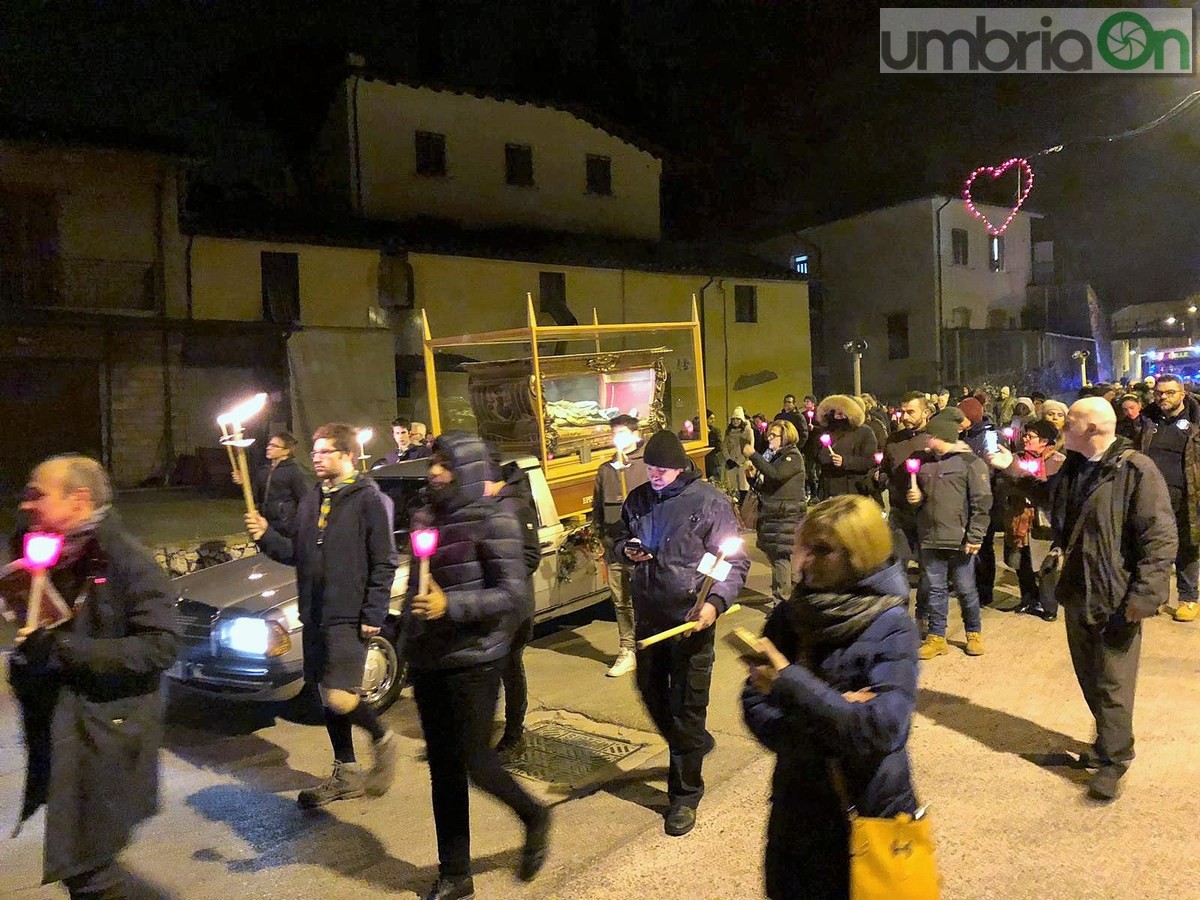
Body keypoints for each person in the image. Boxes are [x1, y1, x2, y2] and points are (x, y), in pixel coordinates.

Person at [987, 398, 1176, 800]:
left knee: (1113, 682)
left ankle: (1114, 761)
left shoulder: (1136, 470)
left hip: (1116, 594)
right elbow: (1052, 501)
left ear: (1091, 430)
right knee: (1090, 676)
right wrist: (1013, 471)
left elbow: (1159, 538)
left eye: (1068, 423)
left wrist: (1145, 595)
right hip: (1078, 588)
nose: (1060, 429)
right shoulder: (1076, 465)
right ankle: (1106, 744)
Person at [10, 456, 179, 898]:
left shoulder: (127, 561)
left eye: (37, 494)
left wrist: (63, 650)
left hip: (105, 736)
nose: (26, 505)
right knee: (85, 867)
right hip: (65, 734)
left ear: (79, 500)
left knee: (89, 873)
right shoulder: (55, 554)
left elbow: (161, 646)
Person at [740, 495, 920, 900]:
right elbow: (753, 705)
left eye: (821, 550)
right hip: (798, 803)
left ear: (859, 554)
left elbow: (884, 728)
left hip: (867, 805)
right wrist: (837, 718)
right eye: (803, 547)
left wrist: (789, 684)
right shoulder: (791, 615)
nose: (803, 562)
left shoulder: (891, 626)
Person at [404, 434, 551, 899]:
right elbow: (418, 587)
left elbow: (514, 596)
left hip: (475, 660)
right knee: (442, 769)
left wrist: (452, 605)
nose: (434, 471)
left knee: (474, 761)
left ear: (466, 470)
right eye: (433, 462)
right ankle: (455, 872)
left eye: (445, 464)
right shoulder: (425, 518)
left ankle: (534, 814)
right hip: (430, 659)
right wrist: (407, 627)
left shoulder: (497, 520)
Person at [246, 423, 399, 809]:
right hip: (314, 610)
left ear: (346, 455)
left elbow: (384, 561)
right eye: (313, 451)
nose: (315, 457)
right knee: (324, 696)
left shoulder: (369, 500)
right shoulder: (314, 496)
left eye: (324, 451)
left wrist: (374, 611)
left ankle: (383, 739)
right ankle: (345, 772)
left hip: (348, 614)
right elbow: (295, 552)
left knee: (340, 696)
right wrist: (265, 534)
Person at [615, 430, 749, 837]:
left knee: (686, 706)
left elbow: (733, 560)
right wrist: (627, 549)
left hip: (691, 619)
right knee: (650, 691)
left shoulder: (709, 502)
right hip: (650, 617)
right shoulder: (637, 499)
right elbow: (617, 537)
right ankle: (691, 743)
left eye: (663, 469)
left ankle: (684, 796)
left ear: (681, 467)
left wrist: (715, 603)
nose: (655, 475)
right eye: (651, 468)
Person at [905, 412, 991, 659]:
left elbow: (982, 502)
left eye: (929, 436)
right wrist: (916, 500)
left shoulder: (970, 464)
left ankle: (973, 633)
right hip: (930, 537)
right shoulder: (924, 463)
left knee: (965, 589)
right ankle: (936, 637)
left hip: (960, 540)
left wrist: (975, 536)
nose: (925, 440)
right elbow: (919, 499)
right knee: (935, 590)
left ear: (941, 436)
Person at [488, 457, 542, 756]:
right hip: (492, 605)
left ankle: (514, 731)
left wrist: (497, 577)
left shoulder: (516, 506)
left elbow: (531, 556)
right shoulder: (489, 505)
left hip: (513, 607)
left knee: (510, 668)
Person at [1135, 375, 1200, 623]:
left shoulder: (1195, 421)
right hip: (1151, 497)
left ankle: (1188, 599)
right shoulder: (1146, 420)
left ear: (1183, 394)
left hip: (1188, 496)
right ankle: (1157, 598)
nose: (1163, 397)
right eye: (1160, 393)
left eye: (1170, 393)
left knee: (1187, 547)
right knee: (1154, 548)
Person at [591, 414, 648, 677]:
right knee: (621, 601)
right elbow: (598, 510)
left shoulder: (648, 465)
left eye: (623, 432)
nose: (618, 438)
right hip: (615, 548)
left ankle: (650, 649)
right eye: (614, 433)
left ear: (636, 434)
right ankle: (627, 649)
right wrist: (602, 539)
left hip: (643, 548)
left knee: (646, 600)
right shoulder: (606, 470)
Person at [996, 420, 1065, 620]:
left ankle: (1049, 605)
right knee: (1021, 561)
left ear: (1044, 441)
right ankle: (1028, 598)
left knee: (1046, 566)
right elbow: (1002, 483)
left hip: (1043, 522)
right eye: (1025, 435)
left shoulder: (1058, 461)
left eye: (1031, 436)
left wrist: (1031, 483)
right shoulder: (1014, 458)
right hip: (1018, 519)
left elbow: (1056, 491)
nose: (1025, 439)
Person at [743, 419, 806, 604]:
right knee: (775, 555)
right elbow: (767, 483)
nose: (769, 438)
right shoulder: (774, 455)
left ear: (785, 437)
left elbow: (776, 475)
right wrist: (753, 479)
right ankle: (786, 595)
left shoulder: (792, 456)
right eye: (769, 435)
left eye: (774, 435)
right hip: (773, 512)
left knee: (780, 555)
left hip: (785, 514)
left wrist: (754, 455)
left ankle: (783, 600)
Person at [880, 391, 932, 566]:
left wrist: (923, 494)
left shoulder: (933, 440)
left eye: (911, 412)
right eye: (903, 412)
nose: (905, 417)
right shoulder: (894, 440)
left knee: (929, 571)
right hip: (899, 512)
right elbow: (885, 470)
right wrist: (885, 480)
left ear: (925, 413)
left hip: (927, 513)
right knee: (896, 564)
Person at [233, 431, 313, 539]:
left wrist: (301, 523)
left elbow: (303, 499)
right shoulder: (264, 470)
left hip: (286, 524)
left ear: (286, 451)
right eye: (269, 444)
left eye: (274, 446)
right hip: (265, 521)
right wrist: (244, 483)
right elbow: (255, 496)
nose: (268, 448)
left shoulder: (293, 472)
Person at [813, 394, 878, 499]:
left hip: (853, 490)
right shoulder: (825, 430)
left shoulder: (864, 432)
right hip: (828, 489)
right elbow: (816, 454)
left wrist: (845, 461)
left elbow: (870, 461)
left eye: (842, 411)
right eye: (835, 411)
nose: (838, 415)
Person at [723, 407, 756, 503]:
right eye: (733, 419)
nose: (735, 421)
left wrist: (739, 461)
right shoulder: (728, 431)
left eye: (738, 419)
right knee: (732, 486)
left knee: (743, 485)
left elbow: (750, 447)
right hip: (731, 462)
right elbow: (724, 446)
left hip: (743, 462)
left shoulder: (748, 431)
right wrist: (729, 459)